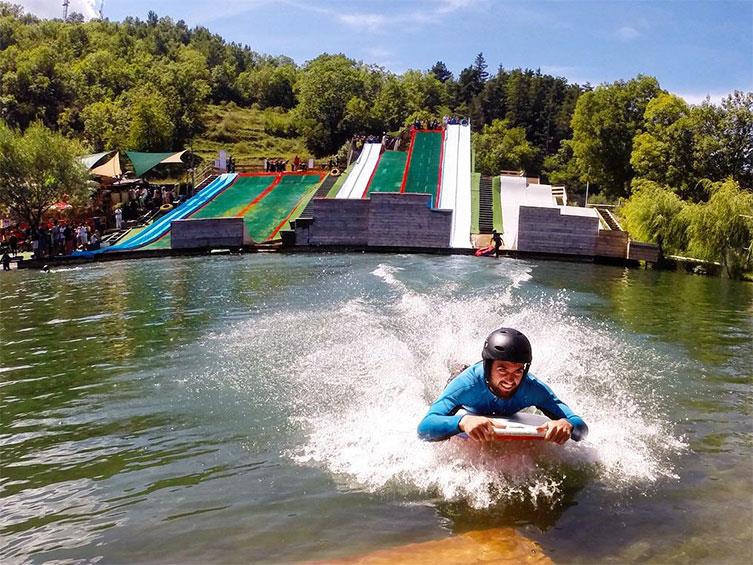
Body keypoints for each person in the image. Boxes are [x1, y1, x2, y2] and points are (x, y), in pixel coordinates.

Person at [417, 328, 588, 444]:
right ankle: (459, 365)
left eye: (518, 371)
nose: (510, 380)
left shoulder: (532, 388)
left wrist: (567, 424)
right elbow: (424, 428)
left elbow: (581, 427)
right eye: (502, 369)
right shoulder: (466, 386)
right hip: (465, 385)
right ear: (488, 365)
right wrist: (463, 421)